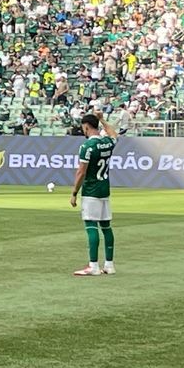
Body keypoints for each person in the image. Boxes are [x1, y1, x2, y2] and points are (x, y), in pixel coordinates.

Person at [71, 113, 117, 276]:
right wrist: (103, 119)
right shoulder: (107, 143)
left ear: (86, 127)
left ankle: (93, 266)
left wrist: (74, 192)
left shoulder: (87, 147)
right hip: (105, 189)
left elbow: (81, 172)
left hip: (91, 190)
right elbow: (113, 134)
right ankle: (109, 265)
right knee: (106, 227)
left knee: (91, 226)